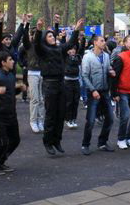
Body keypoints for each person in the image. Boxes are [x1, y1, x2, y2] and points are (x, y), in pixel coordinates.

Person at [34, 17, 84, 155]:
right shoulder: (43, 50)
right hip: (49, 84)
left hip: (61, 83)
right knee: (51, 114)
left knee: (61, 114)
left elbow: (71, 43)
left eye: (52, 35)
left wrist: (76, 29)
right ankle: (48, 142)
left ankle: (57, 141)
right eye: (49, 36)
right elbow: (36, 44)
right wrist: (39, 29)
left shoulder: (59, 49)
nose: (52, 37)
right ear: (45, 39)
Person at [81, 36, 117, 155]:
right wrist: (92, 90)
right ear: (95, 42)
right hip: (93, 92)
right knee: (91, 120)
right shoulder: (88, 57)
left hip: (105, 91)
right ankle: (85, 144)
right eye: (101, 41)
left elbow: (107, 68)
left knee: (110, 118)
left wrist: (110, 71)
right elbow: (84, 75)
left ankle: (102, 142)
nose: (104, 42)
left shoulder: (106, 56)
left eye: (104, 41)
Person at [21, 20, 45, 134]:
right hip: (32, 73)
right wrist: (27, 24)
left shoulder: (42, 46)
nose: (35, 35)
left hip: (42, 73)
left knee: (41, 99)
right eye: (33, 33)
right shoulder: (28, 45)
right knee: (35, 99)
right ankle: (33, 121)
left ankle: (40, 121)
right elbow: (25, 38)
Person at [64, 37, 86, 129]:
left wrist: (83, 39)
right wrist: (64, 38)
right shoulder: (65, 57)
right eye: (71, 49)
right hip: (67, 81)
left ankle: (73, 119)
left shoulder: (77, 57)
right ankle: (68, 119)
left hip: (76, 81)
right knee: (69, 101)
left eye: (74, 49)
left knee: (75, 101)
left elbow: (81, 49)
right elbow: (63, 47)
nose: (72, 51)